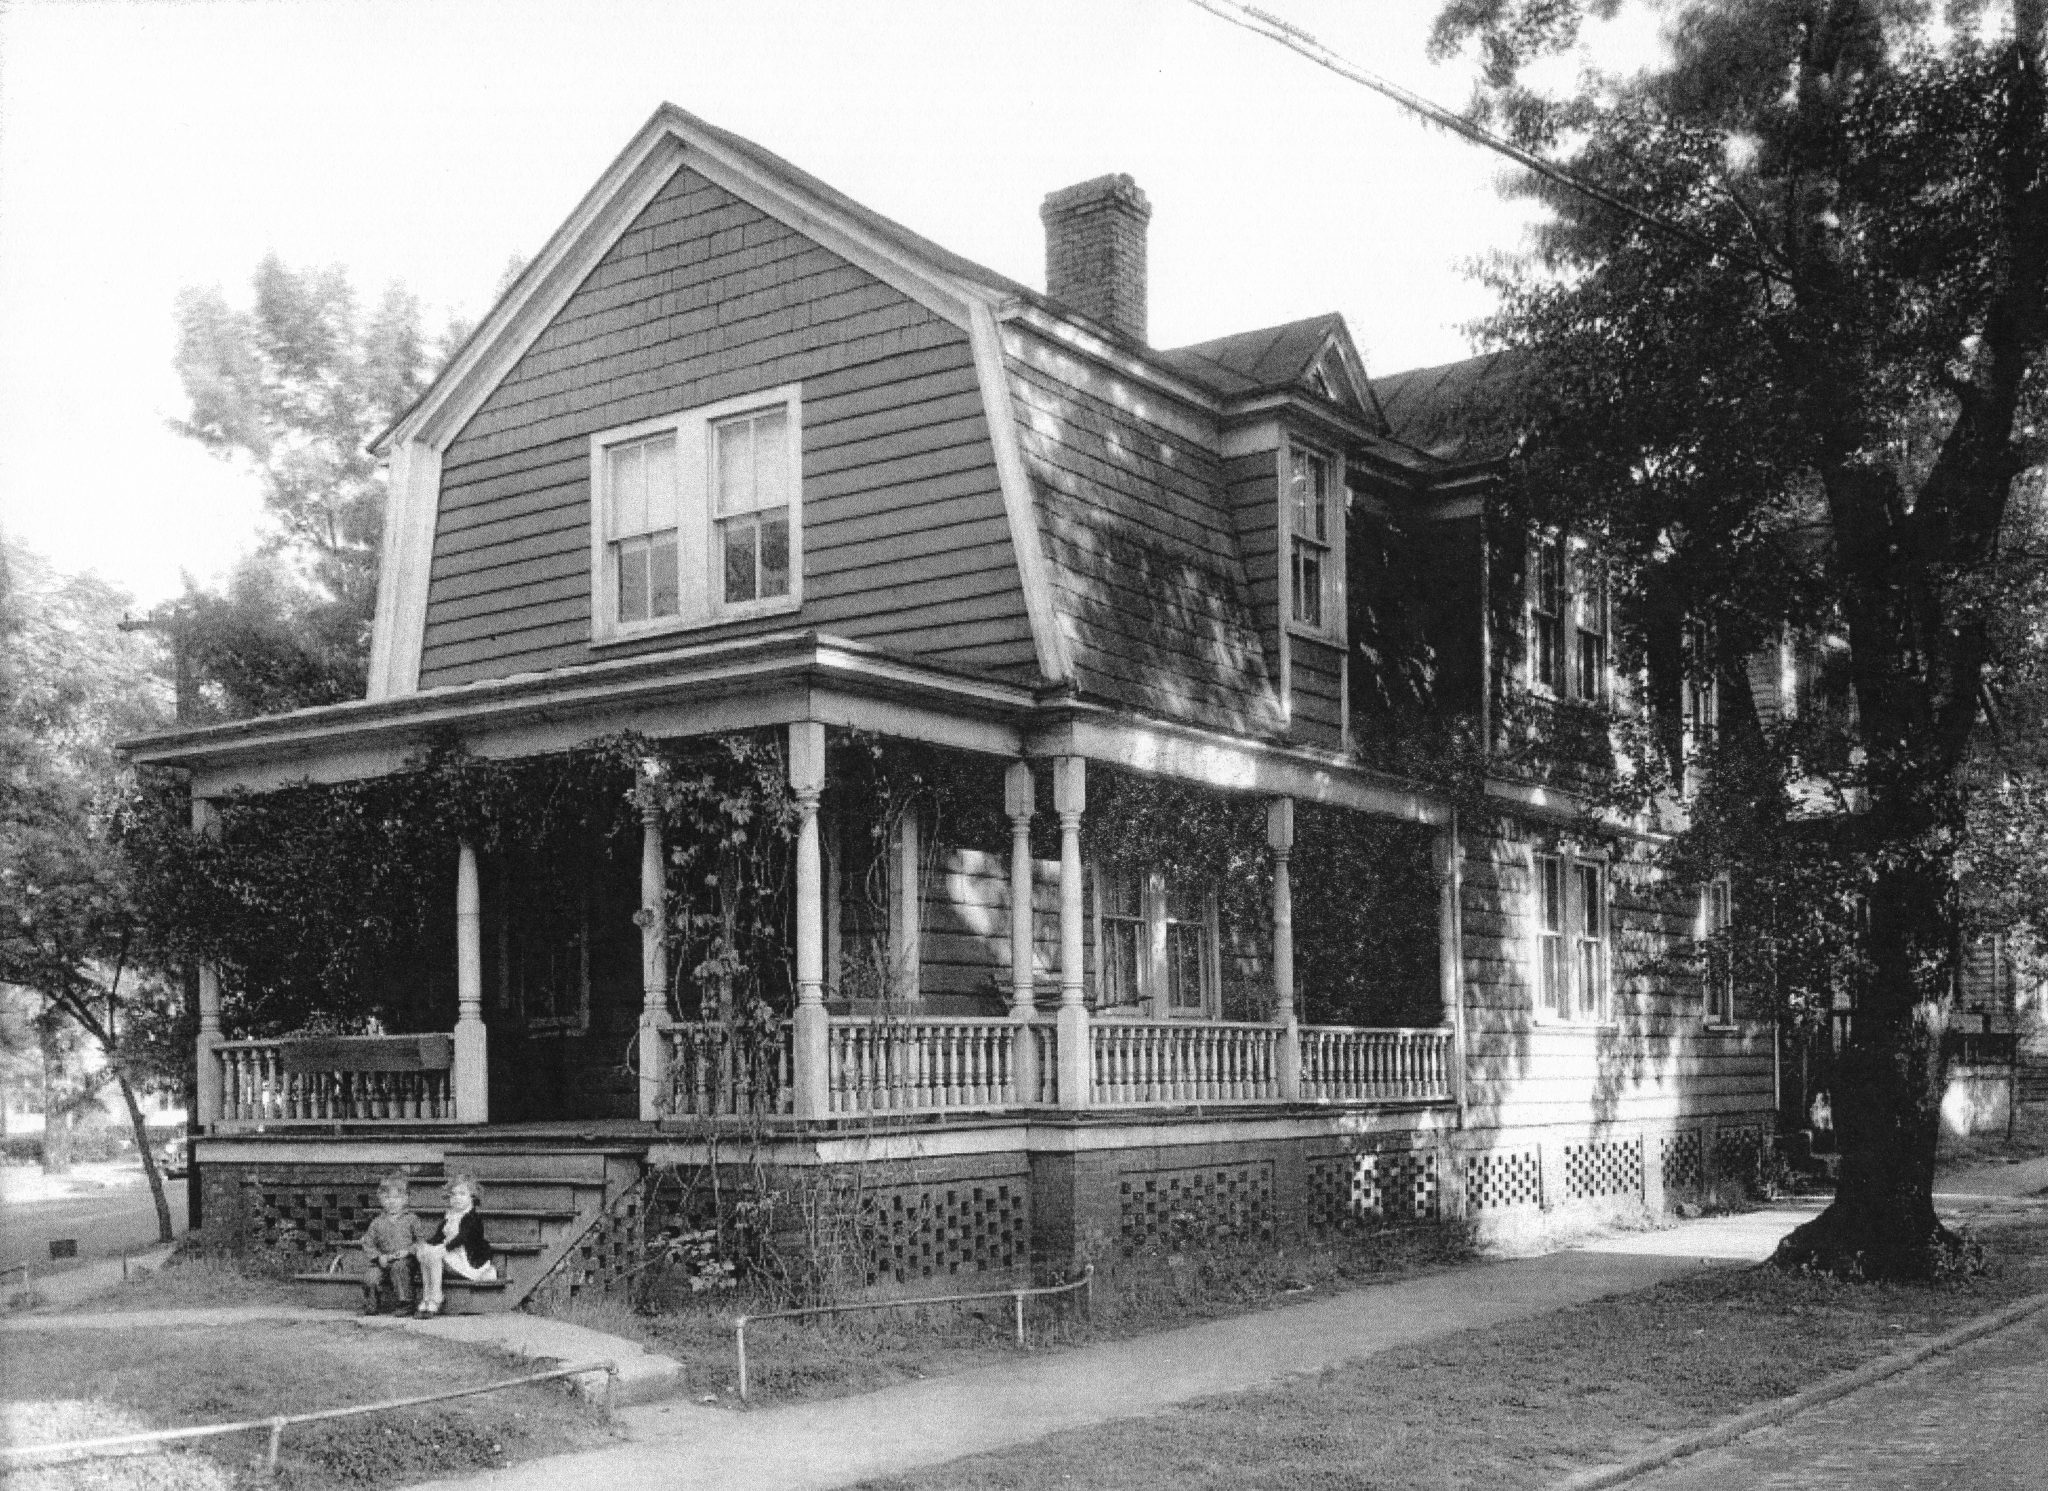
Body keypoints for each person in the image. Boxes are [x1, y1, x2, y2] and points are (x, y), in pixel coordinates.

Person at [412, 1174, 495, 1317]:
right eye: (453, 1194)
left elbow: (462, 1238)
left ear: (472, 1197)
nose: (457, 1198)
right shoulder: (450, 1216)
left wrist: (442, 1249)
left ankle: (436, 1297)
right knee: (425, 1252)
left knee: (434, 1255)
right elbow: (439, 1236)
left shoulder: (472, 1218)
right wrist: (425, 1245)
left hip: (467, 1260)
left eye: (462, 1194)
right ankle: (427, 1296)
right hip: (452, 1255)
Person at [358, 1175, 425, 1315]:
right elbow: (368, 1243)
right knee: (371, 1276)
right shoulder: (377, 1222)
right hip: (384, 1261)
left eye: (397, 1198)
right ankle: (372, 1304)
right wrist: (378, 1257)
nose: (392, 1201)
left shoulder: (412, 1219)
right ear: (381, 1200)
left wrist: (409, 1251)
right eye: (387, 1198)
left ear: (405, 1199)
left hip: (406, 1261)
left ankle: (406, 1303)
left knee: (399, 1267)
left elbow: (421, 1241)